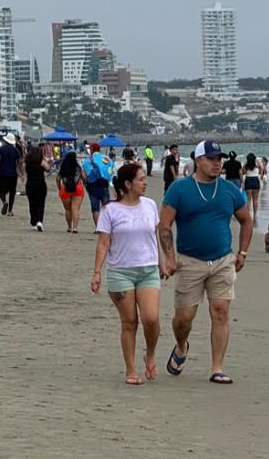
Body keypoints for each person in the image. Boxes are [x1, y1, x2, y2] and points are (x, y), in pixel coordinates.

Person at [159, 140, 253, 385]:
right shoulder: (180, 189)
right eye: (211, 158)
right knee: (184, 318)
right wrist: (169, 257)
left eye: (218, 158)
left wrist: (242, 252)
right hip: (190, 261)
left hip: (222, 259)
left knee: (221, 310)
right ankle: (181, 346)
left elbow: (246, 220)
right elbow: (165, 225)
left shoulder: (230, 190)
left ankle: (217, 367)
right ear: (198, 161)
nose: (216, 162)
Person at [90, 163, 162, 385]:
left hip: (148, 269)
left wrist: (162, 261)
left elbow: (154, 236)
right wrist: (97, 273)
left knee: (151, 318)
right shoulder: (110, 210)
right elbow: (103, 243)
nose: (145, 182)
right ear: (128, 184)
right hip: (121, 272)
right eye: (141, 179)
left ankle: (150, 353)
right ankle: (131, 370)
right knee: (129, 321)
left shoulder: (150, 205)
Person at [84, 143, 114, 226]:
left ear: (92, 149)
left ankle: (98, 227)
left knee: (95, 208)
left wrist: (87, 181)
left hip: (93, 185)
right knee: (106, 206)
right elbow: (112, 170)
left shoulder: (88, 160)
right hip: (104, 184)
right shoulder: (107, 158)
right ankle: (106, 226)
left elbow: (85, 174)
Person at [22, 146, 50, 232]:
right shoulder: (41, 162)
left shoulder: (26, 163)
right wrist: (46, 160)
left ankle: (33, 221)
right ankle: (39, 221)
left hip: (30, 183)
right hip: (41, 183)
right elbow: (48, 169)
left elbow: (24, 173)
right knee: (41, 203)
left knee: (32, 203)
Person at [58, 153, 86, 233]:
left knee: (68, 209)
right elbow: (84, 177)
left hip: (65, 188)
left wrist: (59, 187)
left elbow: (58, 178)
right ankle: (75, 228)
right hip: (77, 187)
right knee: (75, 209)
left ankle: (69, 227)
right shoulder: (78, 167)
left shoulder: (63, 167)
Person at [0, 134, 22, 217]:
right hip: (13, 174)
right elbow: (19, 163)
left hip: (3, 173)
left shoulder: (1, 149)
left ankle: (4, 202)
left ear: (5, 141)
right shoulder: (16, 150)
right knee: (12, 192)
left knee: (1, 191)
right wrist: (20, 173)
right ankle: (10, 211)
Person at [242, 153, 262, 223]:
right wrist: (260, 174)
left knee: (249, 199)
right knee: (255, 199)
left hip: (248, 180)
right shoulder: (257, 163)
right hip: (255, 180)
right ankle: (255, 214)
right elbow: (262, 169)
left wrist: (245, 164)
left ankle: (248, 214)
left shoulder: (246, 164)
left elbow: (243, 172)